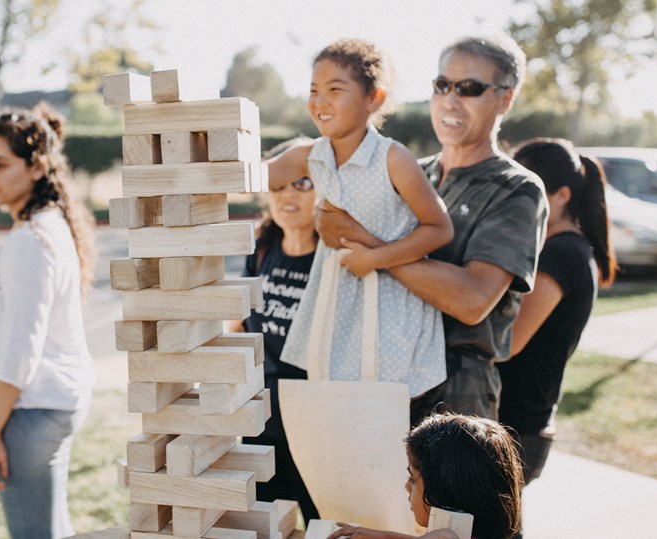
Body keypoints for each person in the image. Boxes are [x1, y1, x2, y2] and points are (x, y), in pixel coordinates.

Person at [316, 34, 548, 425]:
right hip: (382, 378)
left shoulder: (517, 189)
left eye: (470, 89)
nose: (450, 100)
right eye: (442, 85)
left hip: (457, 395)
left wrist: (367, 244)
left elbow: (472, 299)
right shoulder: (408, 172)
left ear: (504, 99)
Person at [272, 38, 454, 398]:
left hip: (390, 310)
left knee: (385, 411)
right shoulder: (310, 155)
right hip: (337, 307)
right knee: (342, 411)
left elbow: (439, 229)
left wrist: (374, 258)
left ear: (374, 98)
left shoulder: (393, 158)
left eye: (335, 90)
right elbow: (255, 175)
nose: (320, 101)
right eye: (313, 90)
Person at [0, 105, 97, 539]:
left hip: (30, 410)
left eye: (1, 164)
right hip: (44, 404)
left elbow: (21, 350)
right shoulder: (47, 225)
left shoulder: (31, 241)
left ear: (37, 166)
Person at [497, 138, 616, 483]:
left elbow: (510, 340)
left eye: (526, 191)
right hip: (519, 422)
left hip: (517, 429)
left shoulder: (562, 254)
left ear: (562, 195)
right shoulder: (558, 249)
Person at [226, 138, 320, 523]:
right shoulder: (262, 248)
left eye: (302, 183)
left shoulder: (337, 254)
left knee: (323, 524)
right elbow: (239, 323)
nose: (287, 196)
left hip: (318, 419)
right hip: (264, 416)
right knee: (263, 523)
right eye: (278, 186)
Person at [327, 413, 524, 539]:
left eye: (413, 478)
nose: (406, 486)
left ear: (444, 491)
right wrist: (382, 536)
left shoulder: (446, 535)